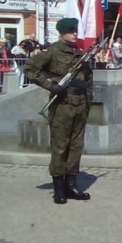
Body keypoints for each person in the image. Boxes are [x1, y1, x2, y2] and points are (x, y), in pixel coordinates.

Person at [24, 18, 93, 204]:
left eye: (76, 30)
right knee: (60, 146)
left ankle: (71, 184)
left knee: (75, 146)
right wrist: (50, 85)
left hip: (80, 104)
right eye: (71, 31)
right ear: (62, 33)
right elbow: (30, 68)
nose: (75, 33)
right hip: (62, 105)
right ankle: (59, 188)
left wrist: (88, 102)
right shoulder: (53, 51)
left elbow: (88, 80)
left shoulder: (79, 52)